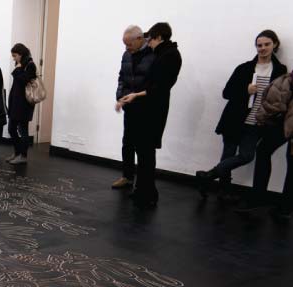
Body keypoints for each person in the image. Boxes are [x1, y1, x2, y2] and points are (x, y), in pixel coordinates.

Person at [197, 30, 286, 201]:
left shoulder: (280, 70)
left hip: (258, 122)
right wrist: (245, 90)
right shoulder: (244, 67)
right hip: (234, 118)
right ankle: (223, 190)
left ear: (274, 44)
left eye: (267, 44)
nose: (263, 48)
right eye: (259, 45)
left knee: (246, 155)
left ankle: (207, 176)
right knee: (228, 154)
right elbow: (227, 92)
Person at [119, 22, 182, 208]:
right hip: (144, 109)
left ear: (159, 38)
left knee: (146, 153)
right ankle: (144, 190)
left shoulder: (169, 55)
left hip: (152, 111)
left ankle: (147, 193)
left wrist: (136, 94)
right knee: (142, 151)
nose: (148, 42)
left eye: (151, 39)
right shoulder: (162, 52)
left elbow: (160, 87)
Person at [235, 69, 293, 220]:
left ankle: (282, 206)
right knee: (264, 151)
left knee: (286, 160)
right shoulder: (287, 78)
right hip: (285, 122)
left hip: (288, 122)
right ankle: (274, 203)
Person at [113, 25, 155, 190]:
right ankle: (127, 177)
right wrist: (120, 97)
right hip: (130, 107)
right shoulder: (127, 54)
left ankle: (143, 184)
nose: (126, 47)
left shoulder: (153, 54)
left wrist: (139, 96)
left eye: (129, 44)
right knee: (127, 143)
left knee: (143, 147)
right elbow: (122, 77)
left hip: (145, 108)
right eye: (124, 44)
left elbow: (153, 83)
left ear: (140, 39)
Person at [7, 43, 37, 165]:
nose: (14, 58)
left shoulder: (30, 65)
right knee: (12, 128)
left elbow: (24, 80)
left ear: (21, 54)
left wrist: (18, 69)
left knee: (23, 130)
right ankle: (17, 152)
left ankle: (23, 155)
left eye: (15, 56)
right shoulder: (22, 64)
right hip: (16, 102)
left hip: (24, 103)